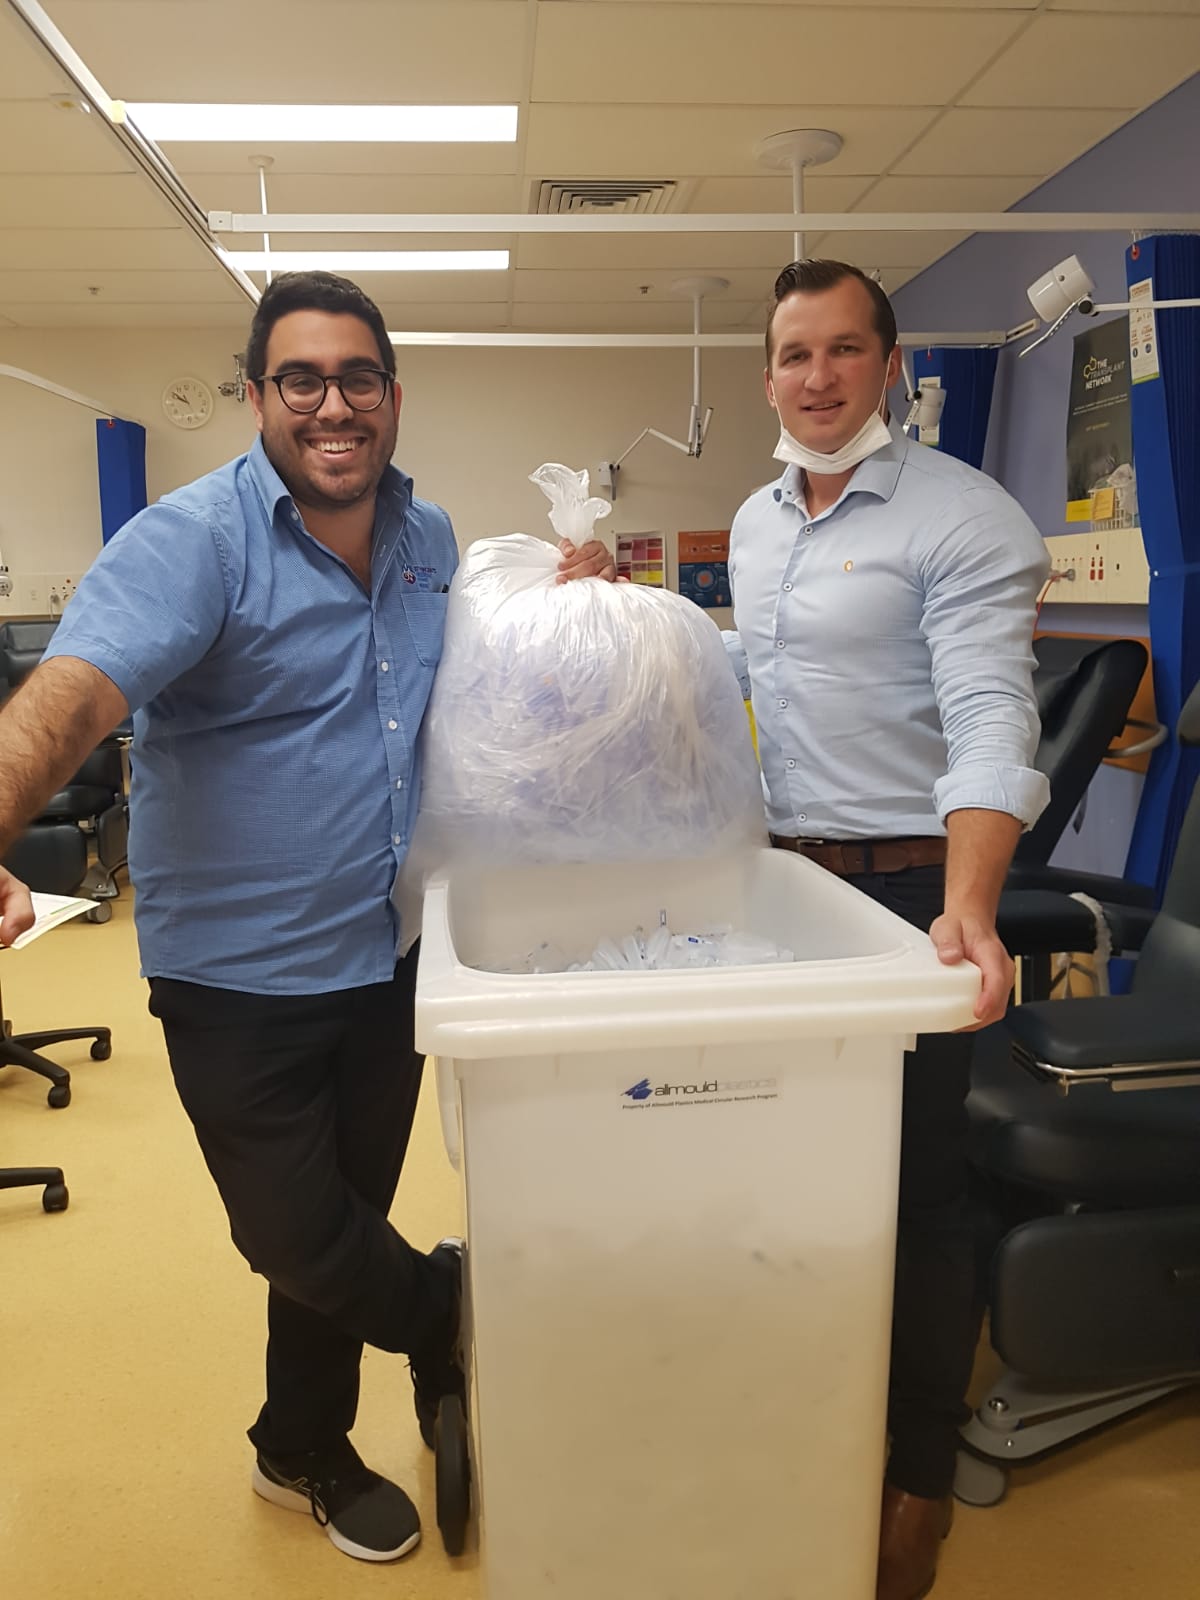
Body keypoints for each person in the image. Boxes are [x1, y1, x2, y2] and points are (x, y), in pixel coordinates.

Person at [0, 270, 613, 1564]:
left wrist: (578, 603)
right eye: (302, 380)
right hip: (236, 969)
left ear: (392, 394)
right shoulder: (192, 542)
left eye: (358, 379)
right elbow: (72, 697)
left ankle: (302, 1446)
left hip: (387, 950)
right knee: (292, 1228)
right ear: (257, 395)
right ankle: (450, 1314)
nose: (333, 406)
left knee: (344, 1219)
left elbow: (481, 690)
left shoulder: (429, 538)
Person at [728, 260, 1049, 1600]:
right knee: (790, 1169)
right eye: (795, 354)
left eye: (845, 350)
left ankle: (916, 1470)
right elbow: (755, 679)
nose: (819, 378)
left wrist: (970, 904)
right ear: (767, 375)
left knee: (918, 1192)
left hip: (911, 894)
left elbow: (989, 713)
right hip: (785, 892)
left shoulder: (964, 517)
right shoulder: (754, 524)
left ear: (892, 364)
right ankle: (815, 1406)